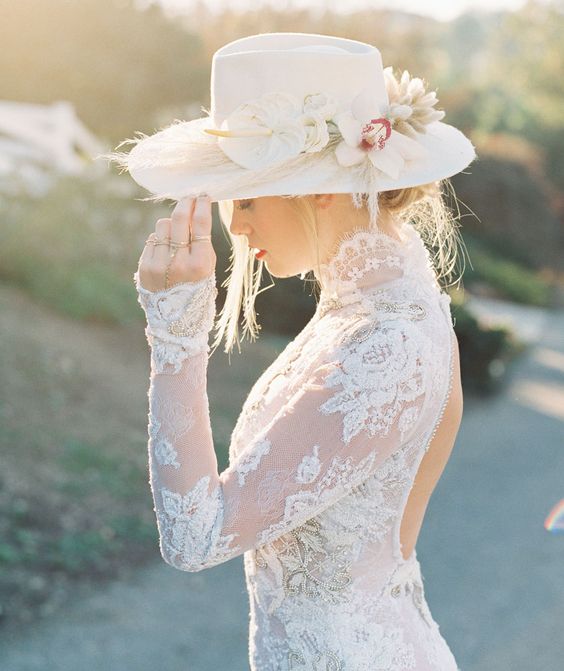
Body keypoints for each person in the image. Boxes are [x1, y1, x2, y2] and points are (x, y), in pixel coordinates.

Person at [104, 32, 476, 671]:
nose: (237, 229)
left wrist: (176, 336)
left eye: (245, 198)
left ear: (320, 188)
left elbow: (196, 537)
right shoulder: (396, 302)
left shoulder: (383, 344)